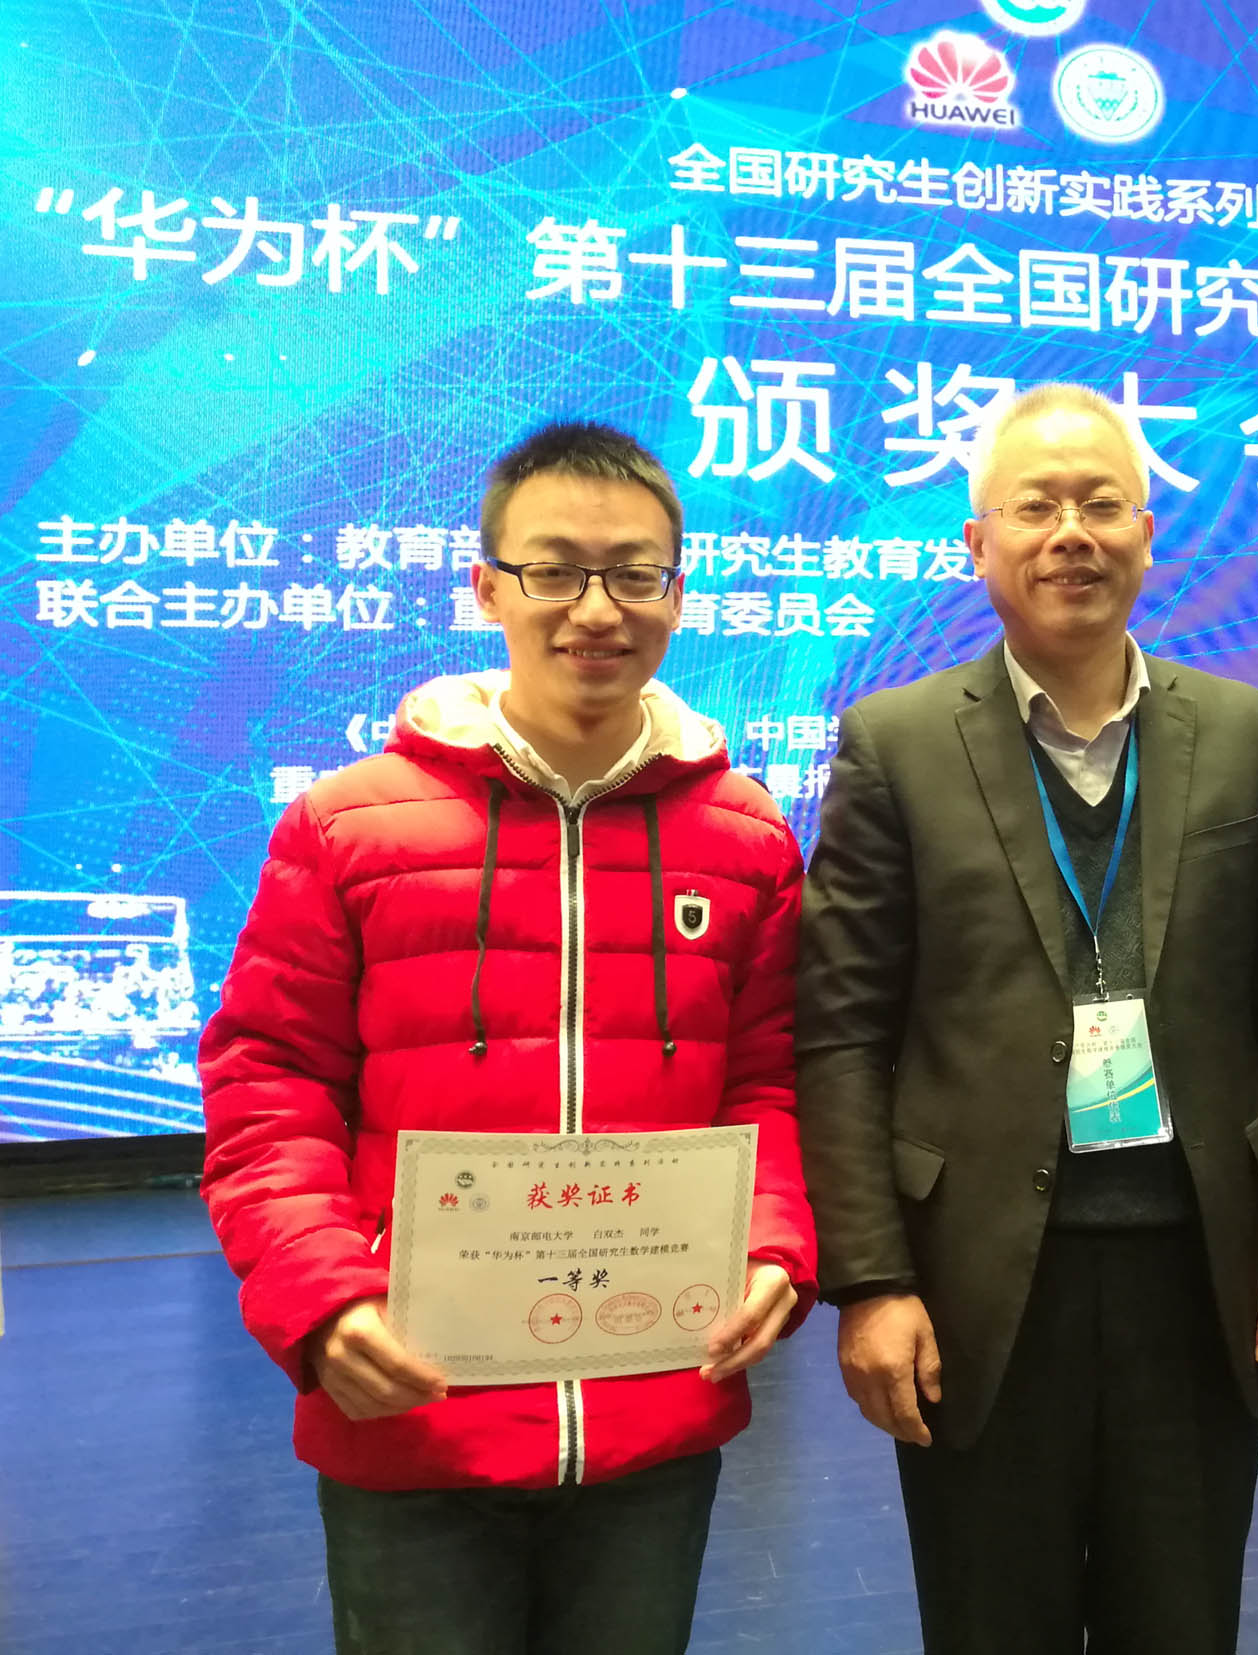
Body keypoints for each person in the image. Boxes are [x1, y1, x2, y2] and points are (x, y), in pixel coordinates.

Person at [200, 421, 816, 1655]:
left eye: (632, 573)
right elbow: (269, 1086)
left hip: (655, 1402)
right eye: (553, 570)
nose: (595, 608)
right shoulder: (350, 826)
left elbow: (769, 1084)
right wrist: (321, 1301)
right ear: (485, 587)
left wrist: (773, 1248)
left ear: (678, 593)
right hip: (414, 1408)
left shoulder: (747, 839)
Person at [795, 382, 1258, 1654]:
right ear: (976, 541)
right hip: (979, 1282)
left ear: (1147, 535)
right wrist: (871, 1279)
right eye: (1034, 505)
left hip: (1196, 1274)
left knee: (1181, 1623)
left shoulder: (1244, 734)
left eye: (1101, 504)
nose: (1070, 534)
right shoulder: (895, 743)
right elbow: (842, 1033)